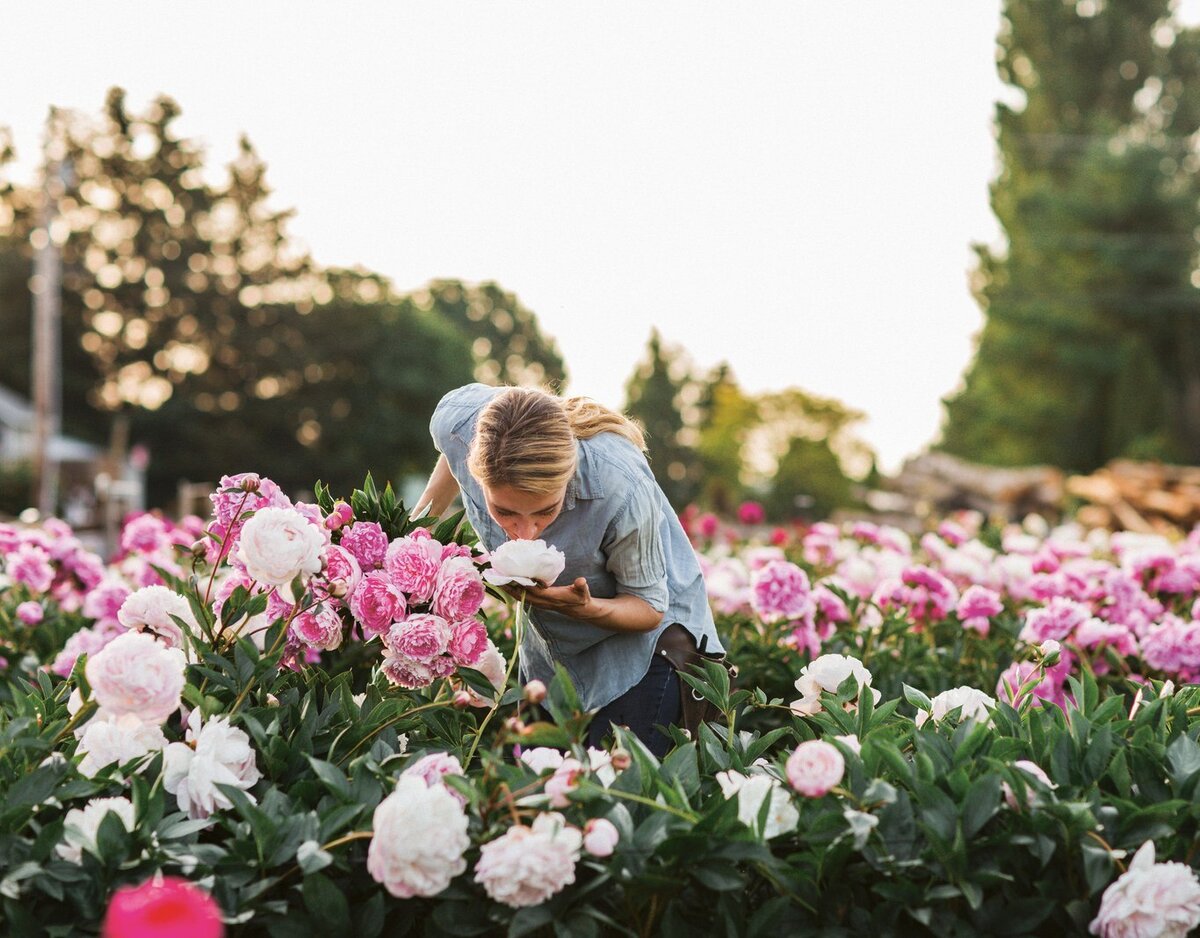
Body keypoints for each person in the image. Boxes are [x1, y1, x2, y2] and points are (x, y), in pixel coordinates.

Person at [415, 383, 726, 757]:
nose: (524, 532)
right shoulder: (459, 421)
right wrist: (419, 532)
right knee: (537, 793)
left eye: (546, 510)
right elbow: (453, 456)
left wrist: (584, 608)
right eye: (505, 512)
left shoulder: (620, 484)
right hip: (551, 652)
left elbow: (648, 605)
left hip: (644, 648)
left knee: (616, 800)